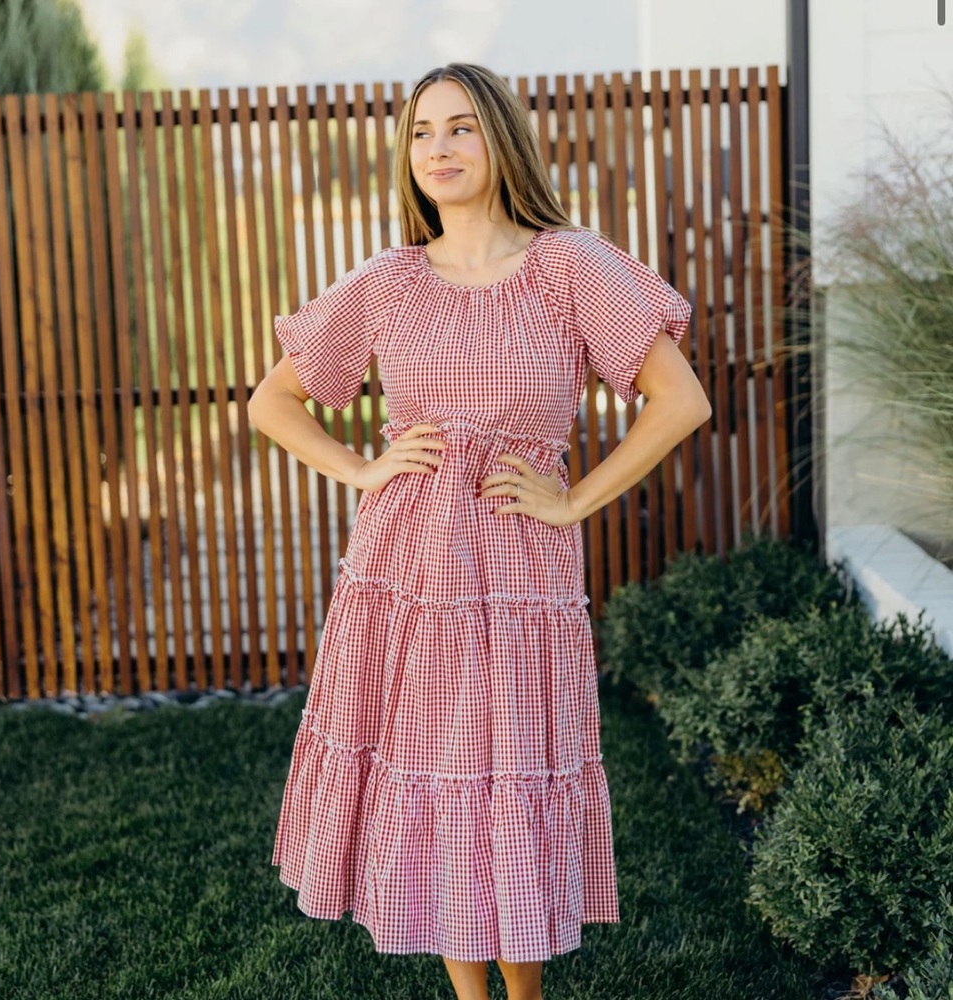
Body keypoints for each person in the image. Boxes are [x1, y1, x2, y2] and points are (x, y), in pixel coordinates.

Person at [248, 62, 711, 1000]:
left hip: (517, 567)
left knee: (508, 773)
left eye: (460, 128)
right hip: (406, 571)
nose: (439, 149)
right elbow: (273, 400)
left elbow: (681, 402)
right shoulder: (385, 282)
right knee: (436, 768)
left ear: (501, 138)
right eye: (422, 132)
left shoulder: (571, 264)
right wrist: (362, 467)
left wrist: (575, 500)